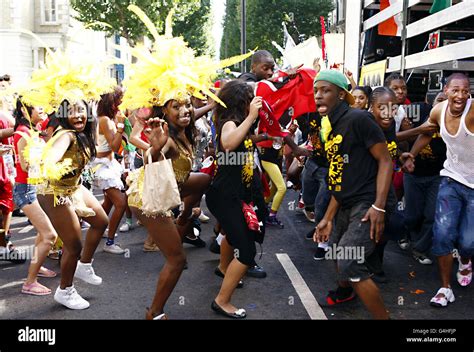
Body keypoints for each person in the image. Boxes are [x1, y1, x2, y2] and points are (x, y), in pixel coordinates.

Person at [313, 70, 394, 319]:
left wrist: (379, 207)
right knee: (338, 253)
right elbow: (342, 179)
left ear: (341, 94)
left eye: (325, 90)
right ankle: (345, 292)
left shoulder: (358, 118)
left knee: (349, 260)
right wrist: (327, 218)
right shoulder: (334, 126)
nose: (318, 96)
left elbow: (386, 161)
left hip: (368, 202)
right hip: (346, 202)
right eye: (316, 91)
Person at [401, 73, 474, 308]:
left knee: (468, 242)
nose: (460, 95)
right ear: (446, 90)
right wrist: (412, 152)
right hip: (451, 180)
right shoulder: (438, 111)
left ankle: (464, 258)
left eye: (465, 90)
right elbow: (427, 131)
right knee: (442, 235)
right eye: (455, 90)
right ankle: (445, 288)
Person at [206, 80, 266, 319]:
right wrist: (252, 116)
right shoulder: (230, 122)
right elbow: (229, 144)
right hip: (225, 197)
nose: (254, 103)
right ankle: (221, 301)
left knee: (233, 236)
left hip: (234, 195)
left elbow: (242, 143)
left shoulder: (238, 123)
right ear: (240, 102)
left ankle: (223, 268)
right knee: (247, 252)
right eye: (249, 99)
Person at [12, 99, 60, 295]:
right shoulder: (22, 133)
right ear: (25, 110)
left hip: (34, 187)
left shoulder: (31, 131)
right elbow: (25, 167)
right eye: (38, 106)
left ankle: (37, 265)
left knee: (42, 233)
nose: (43, 108)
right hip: (26, 189)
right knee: (50, 235)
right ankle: (29, 283)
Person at [90, 88, 127, 254]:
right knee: (121, 202)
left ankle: (97, 227)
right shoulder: (104, 120)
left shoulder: (107, 118)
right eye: (119, 100)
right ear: (111, 102)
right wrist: (120, 128)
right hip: (102, 165)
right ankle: (110, 242)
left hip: (109, 164)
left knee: (109, 202)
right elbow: (114, 145)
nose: (121, 103)